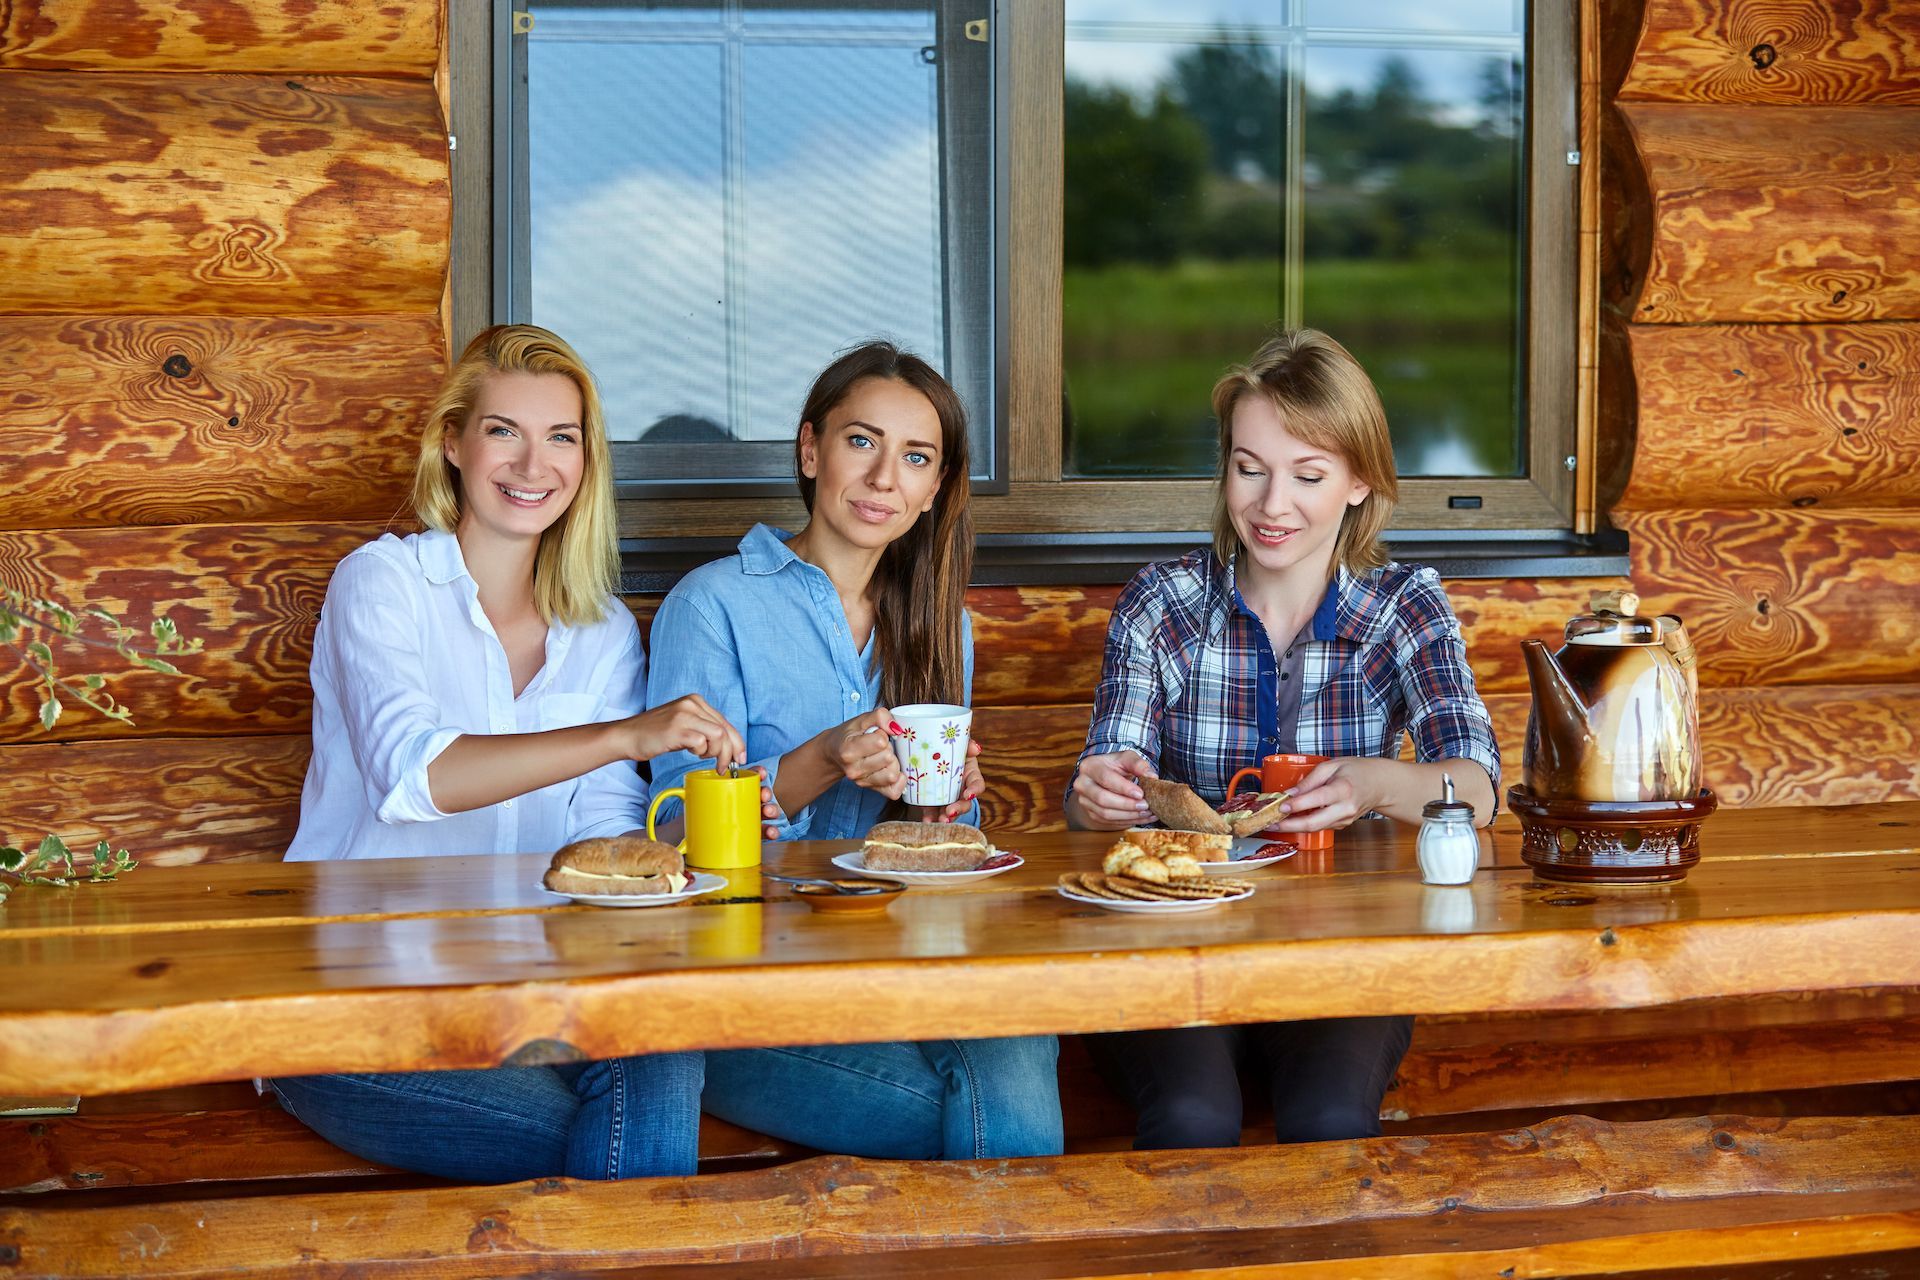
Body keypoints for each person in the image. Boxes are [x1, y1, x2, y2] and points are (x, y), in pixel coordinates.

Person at [274, 324, 748, 1182]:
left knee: (663, 1052)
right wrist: (623, 736)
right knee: (617, 1156)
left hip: (529, 1004)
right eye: (505, 432)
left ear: (586, 461)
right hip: (354, 1006)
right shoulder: (382, 584)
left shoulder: (599, 629)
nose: (535, 466)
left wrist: (692, 842)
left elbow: (601, 829)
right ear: (452, 443)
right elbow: (416, 777)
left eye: (561, 438)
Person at [1066, 328, 1500, 1150]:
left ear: (1359, 482)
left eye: (1308, 476)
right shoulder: (1163, 603)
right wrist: (1097, 795)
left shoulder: (1404, 606)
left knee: (1330, 1121)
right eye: (1249, 468)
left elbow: (1476, 789)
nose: (1272, 507)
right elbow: (1095, 803)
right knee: (1194, 1119)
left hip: (1344, 953)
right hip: (1176, 943)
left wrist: (1375, 784)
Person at [645, 340, 1064, 1160]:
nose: (884, 480)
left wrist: (944, 802)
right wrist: (827, 756)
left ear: (934, 488)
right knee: (984, 1125)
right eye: (861, 442)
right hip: (744, 988)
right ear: (810, 449)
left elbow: (930, 844)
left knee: (1021, 1044)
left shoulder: (945, 623)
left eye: (915, 457)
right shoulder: (714, 604)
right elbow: (677, 841)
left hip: (905, 964)